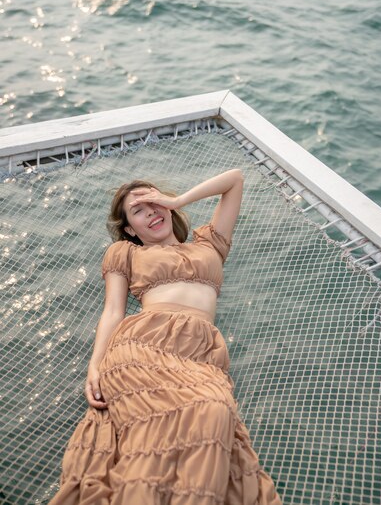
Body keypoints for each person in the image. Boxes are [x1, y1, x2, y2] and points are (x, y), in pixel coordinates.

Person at [49, 168, 282, 504]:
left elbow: (235, 180)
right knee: (202, 413)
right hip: (144, 345)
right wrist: (95, 366)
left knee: (216, 410)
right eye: (138, 210)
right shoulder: (125, 253)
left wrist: (176, 199)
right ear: (130, 228)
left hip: (201, 354)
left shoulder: (210, 244)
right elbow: (113, 312)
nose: (151, 211)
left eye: (153, 202)